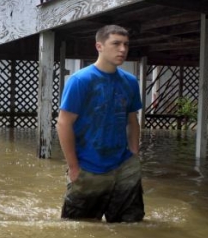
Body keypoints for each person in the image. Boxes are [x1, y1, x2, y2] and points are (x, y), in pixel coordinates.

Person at [56, 24, 144, 223]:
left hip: (124, 166)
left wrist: (134, 156)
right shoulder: (80, 80)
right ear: (99, 46)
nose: (122, 49)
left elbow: (133, 121)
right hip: (89, 166)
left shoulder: (130, 81)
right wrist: (73, 167)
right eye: (116, 44)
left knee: (131, 226)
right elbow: (63, 124)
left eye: (126, 45)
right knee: (79, 227)